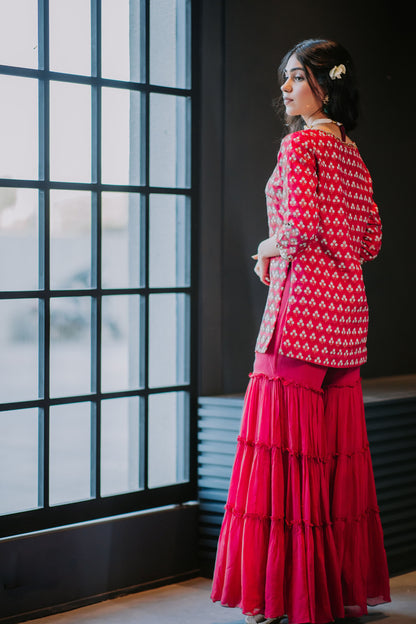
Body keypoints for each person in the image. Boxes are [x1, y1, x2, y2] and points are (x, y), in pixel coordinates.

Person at [210, 38, 391, 624]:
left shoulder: (299, 147)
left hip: (301, 315)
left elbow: (296, 230)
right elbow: (370, 242)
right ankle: (330, 590)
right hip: (346, 318)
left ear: (324, 85)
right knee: (334, 460)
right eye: (285, 78)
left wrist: (264, 248)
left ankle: (287, 593)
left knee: (286, 456)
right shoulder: (353, 154)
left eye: (296, 78)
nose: (285, 89)